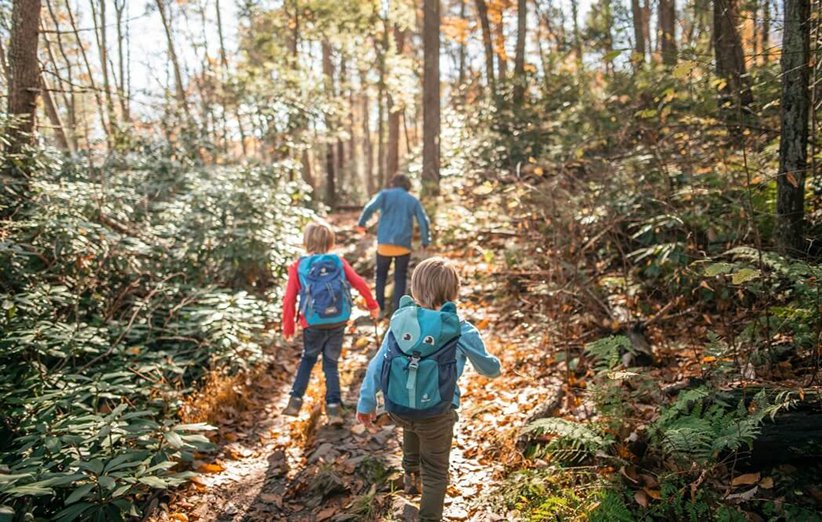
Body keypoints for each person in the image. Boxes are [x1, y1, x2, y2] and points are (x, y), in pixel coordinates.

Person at [356, 257, 501, 521]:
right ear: (454, 290)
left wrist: (366, 403)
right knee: (436, 471)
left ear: (415, 289)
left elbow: (377, 364)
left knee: (412, 419)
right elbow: (487, 369)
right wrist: (496, 365)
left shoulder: (401, 321)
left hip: (399, 409)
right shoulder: (459, 328)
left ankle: (411, 476)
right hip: (437, 413)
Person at [281, 221, 379, 424]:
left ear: (306, 242)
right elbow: (359, 283)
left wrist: (288, 326)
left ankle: (295, 401)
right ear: (330, 242)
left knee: (308, 359)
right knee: (331, 364)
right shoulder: (338, 262)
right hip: (337, 320)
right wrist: (372, 305)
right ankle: (334, 408)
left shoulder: (298, 266)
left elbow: (289, 299)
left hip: (312, 322)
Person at [357, 174, 431, 316]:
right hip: (403, 246)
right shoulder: (412, 200)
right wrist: (425, 240)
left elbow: (369, 208)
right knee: (400, 277)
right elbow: (423, 220)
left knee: (380, 276)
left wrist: (361, 224)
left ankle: (379, 308)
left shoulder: (384, 195)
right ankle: (398, 311)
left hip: (384, 244)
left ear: (393, 184)